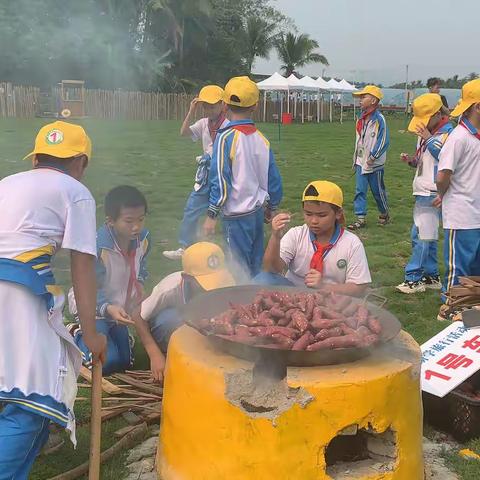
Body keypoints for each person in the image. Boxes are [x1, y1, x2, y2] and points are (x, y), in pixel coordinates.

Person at [0, 121, 107, 477]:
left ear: (36, 160)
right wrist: (91, 336)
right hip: (16, 290)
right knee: (34, 399)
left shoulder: (7, 183)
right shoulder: (76, 191)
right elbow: (83, 265)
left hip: (14, 280)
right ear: (80, 162)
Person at [203, 76, 283, 277]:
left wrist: (212, 214)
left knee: (236, 269)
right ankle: (257, 301)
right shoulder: (262, 140)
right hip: (256, 213)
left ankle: (242, 304)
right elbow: (273, 179)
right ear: (255, 106)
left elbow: (220, 180)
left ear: (224, 105)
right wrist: (272, 207)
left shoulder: (224, 138)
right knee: (256, 265)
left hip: (235, 217)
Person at [68, 185, 150, 375]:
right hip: (91, 306)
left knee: (126, 362)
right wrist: (108, 307)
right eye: (129, 221)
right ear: (110, 221)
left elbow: (141, 267)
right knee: (106, 363)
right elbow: (89, 288)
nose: (136, 227)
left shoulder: (144, 240)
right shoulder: (97, 247)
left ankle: (113, 333)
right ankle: (76, 331)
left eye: (141, 219)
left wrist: (141, 285)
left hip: (118, 308)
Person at [132, 242, 235, 382]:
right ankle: (167, 350)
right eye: (206, 282)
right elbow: (138, 316)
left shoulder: (226, 283)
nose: (213, 288)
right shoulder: (170, 287)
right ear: (187, 278)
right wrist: (154, 354)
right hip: (172, 324)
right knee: (169, 319)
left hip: (202, 323)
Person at [257, 180, 371, 297]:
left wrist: (324, 287)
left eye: (322, 215)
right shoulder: (296, 234)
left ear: (338, 213)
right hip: (292, 294)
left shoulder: (351, 243)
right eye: (308, 214)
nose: (314, 221)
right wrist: (275, 237)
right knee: (262, 279)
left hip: (329, 299)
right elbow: (271, 269)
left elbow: (359, 287)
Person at [396, 93, 453, 294]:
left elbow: (447, 159)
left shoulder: (447, 135)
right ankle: (431, 275)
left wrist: (429, 139)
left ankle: (414, 278)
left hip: (432, 191)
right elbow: (426, 160)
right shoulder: (428, 132)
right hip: (423, 189)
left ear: (438, 114)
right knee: (427, 236)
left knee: (419, 235)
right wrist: (412, 160)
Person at [163, 85, 229, 260]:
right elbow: (183, 132)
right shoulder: (203, 123)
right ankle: (185, 246)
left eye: (213, 105)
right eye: (205, 106)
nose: (209, 109)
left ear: (223, 105)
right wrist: (191, 110)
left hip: (222, 174)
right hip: (205, 174)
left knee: (227, 213)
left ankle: (230, 250)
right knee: (191, 209)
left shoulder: (229, 127)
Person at [437, 78, 480, 320]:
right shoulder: (458, 137)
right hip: (461, 214)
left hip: (477, 213)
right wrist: (442, 194)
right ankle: (449, 310)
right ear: (477, 107)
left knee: (475, 270)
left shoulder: (476, 137)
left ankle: (471, 312)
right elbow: (443, 174)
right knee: (459, 268)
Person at [348, 85, 390, 230]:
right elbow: (359, 141)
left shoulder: (379, 119)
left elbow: (383, 140)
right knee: (360, 190)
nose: (360, 100)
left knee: (377, 191)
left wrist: (373, 156)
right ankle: (360, 218)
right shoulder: (361, 118)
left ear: (373, 100)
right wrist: (356, 159)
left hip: (375, 164)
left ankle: (384, 213)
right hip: (361, 161)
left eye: (363, 97)